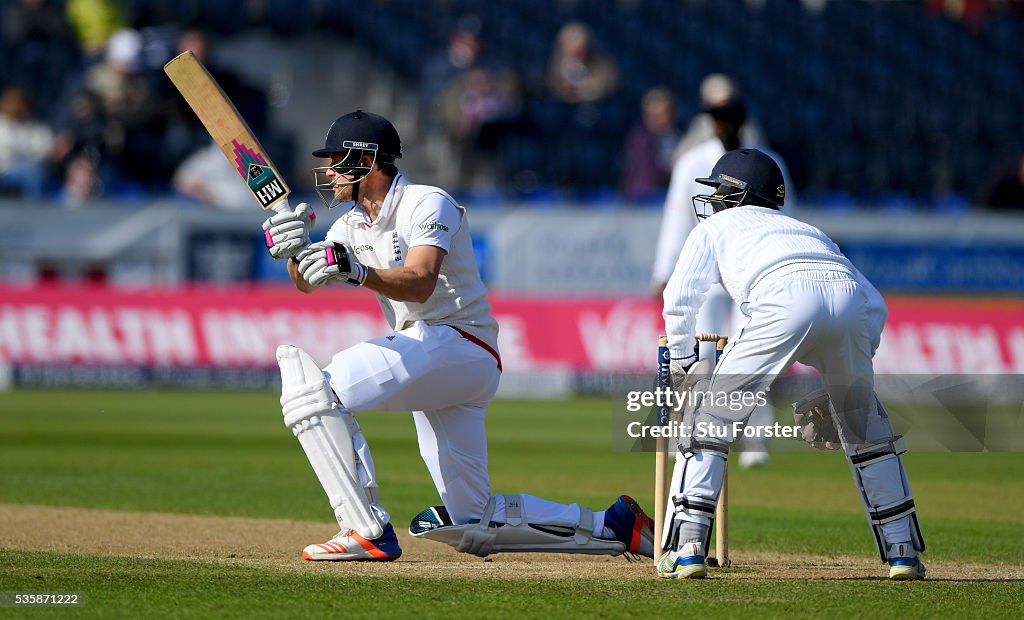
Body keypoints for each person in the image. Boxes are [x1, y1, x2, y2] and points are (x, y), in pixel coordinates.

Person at [261, 110, 654, 561]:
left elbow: (421, 279)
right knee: (474, 520)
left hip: (457, 342)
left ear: (366, 161)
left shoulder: (427, 202)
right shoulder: (350, 226)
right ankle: (614, 525)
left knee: (316, 392)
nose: (329, 171)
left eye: (336, 160)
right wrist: (293, 251)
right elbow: (307, 280)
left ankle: (364, 529)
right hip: (435, 358)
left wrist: (358, 271)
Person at [657, 148, 926, 580]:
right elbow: (874, 304)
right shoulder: (809, 230)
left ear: (737, 194)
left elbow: (679, 297)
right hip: (848, 301)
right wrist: (850, 379)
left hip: (782, 299)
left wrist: (686, 365)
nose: (713, 202)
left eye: (719, 191)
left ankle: (687, 548)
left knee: (710, 418)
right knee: (866, 432)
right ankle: (903, 551)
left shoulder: (719, 225)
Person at [651, 84, 788, 469]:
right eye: (718, 119)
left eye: (730, 119)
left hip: (753, 274)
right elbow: (677, 218)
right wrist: (664, 271)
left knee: (751, 357)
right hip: (708, 273)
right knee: (703, 359)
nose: (724, 126)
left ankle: (757, 441)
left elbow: (785, 220)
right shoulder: (694, 161)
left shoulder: (768, 162)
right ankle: (692, 433)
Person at [619, 86, 681, 203]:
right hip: (636, 198)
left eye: (659, 115)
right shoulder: (638, 137)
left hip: (663, 198)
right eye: (651, 116)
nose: (655, 120)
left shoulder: (675, 138)